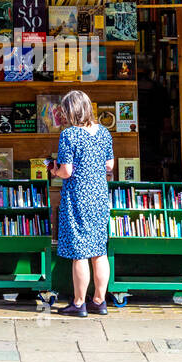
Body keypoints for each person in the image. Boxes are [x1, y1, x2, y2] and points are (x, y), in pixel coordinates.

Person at [50, 89, 115, 317]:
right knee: (99, 252)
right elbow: (110, 166)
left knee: (80, 253)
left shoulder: (69, 135)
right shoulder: (104, 133)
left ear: (71, 111)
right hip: (99, 197)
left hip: (77, 197)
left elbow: (67, 171)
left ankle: (79, 303)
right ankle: (99, 300)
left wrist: (55, 170)